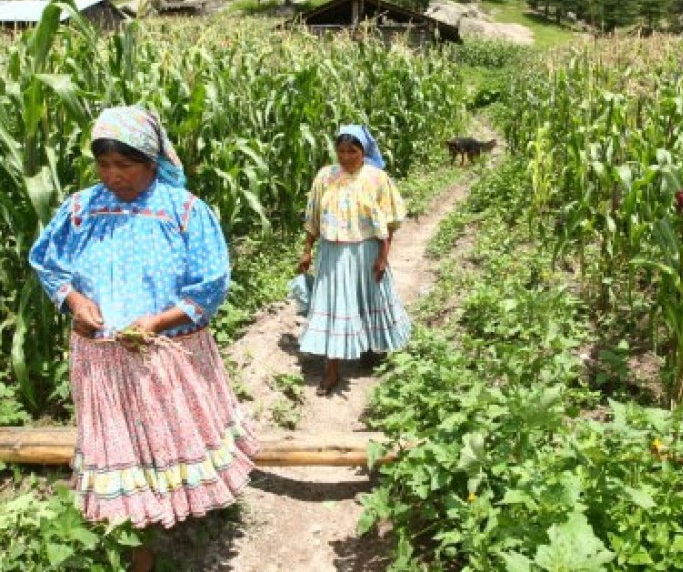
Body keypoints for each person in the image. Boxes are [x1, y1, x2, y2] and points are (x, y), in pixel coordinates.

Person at [29, 105, 257, 572]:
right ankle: (140, 547)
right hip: (103, 357)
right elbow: (48, 264)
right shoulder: (80, 208)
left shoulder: (185, 211)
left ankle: (173, 515)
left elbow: (209, 283)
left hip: (163, 353)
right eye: (104, 165)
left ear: (152, 161)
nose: (114, 176)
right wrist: (74, 302)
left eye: (126, 165)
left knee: (167, 438)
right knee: (123, 450)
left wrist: (156, 322)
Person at [297, 124, 411, 396]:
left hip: (366, 250)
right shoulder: (325, 177)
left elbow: (390, 220)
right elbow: (313, 217)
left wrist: (384, 256)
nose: (347, 157)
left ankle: (370, 350)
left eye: (353, 151)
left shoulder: (376, 178)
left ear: (364, 151)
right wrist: (307, 250)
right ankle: (332, 369)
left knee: (367, 299)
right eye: (342, 151)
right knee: (336, 306)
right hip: (333, 253)